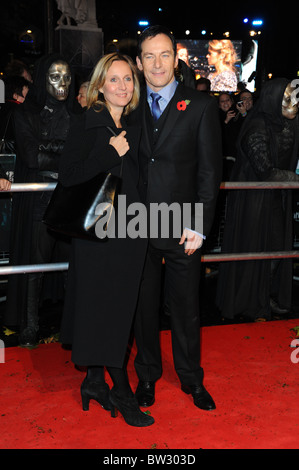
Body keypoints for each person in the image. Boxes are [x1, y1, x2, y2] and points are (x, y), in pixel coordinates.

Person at [58, 53, 154, 427]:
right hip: (99, 236)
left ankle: (95, 382)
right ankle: (121, 391)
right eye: (113, 80)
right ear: (100, 85)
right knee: (108, 311)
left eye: (127, 79)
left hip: (130, 233)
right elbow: (69, 176)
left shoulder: (131, 123)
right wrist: (107, 152)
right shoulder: (89, 122)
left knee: (117, 310)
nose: (122, 86)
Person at [129, 26, 222, 411]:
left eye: (164, 54)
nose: (157, 63)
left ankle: (190, 379)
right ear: (139, 63)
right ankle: (147, 374)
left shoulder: (200, 107)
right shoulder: (128, 104)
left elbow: (209, 172)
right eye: (149, 56)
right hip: (135, 224)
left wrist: (200, 224)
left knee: (185, 307)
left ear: (176, 59)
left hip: (184, 224)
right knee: (143, 307)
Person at [4, 53, 77, 347]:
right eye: (55, 76)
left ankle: (73, 325)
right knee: (35, 267)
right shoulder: (26, 114)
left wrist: (52, 149)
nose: (63, 83)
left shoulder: (77, 114)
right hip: (39, 201)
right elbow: (32, 157)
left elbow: (79, 157)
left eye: (67, 76)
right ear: (43, 78)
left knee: (73, 268)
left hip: (71, 199)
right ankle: (30, 326)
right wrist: (65, 151)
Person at [216, 78, 299, 321]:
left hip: (276, 196)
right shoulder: (257, 126)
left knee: (276, 248)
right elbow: (265, 170)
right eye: (287, 98)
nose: (293, 103)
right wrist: (295, 178)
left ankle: (265, 295)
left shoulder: (288, 124)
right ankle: (251, 299)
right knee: (256, 248)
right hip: (254, 199)